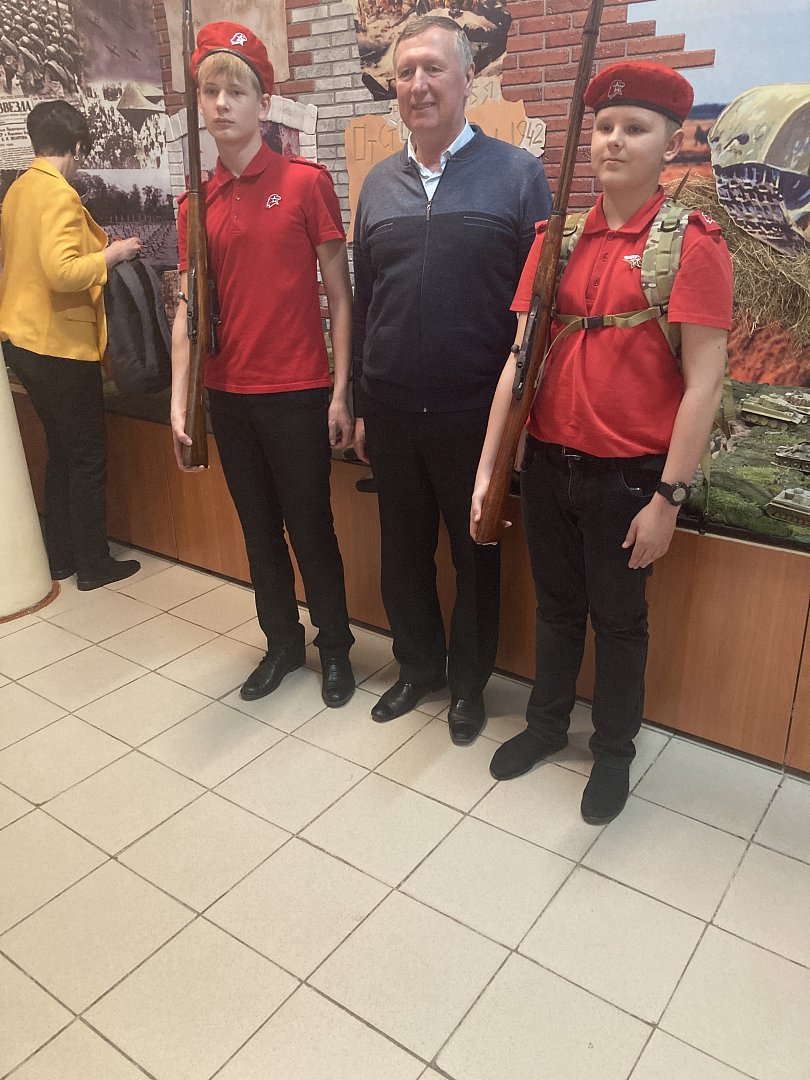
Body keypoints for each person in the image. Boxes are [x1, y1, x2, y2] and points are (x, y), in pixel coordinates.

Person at [471, 61, 733, 823]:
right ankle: (547, 726)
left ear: (671, 143)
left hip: (630, 479)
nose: (614, 140)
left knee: (619, 624)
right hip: (550, 463)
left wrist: (668, 499)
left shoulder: (691, 244)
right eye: (605, 127)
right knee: (556, 608)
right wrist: (489, 468)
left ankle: (613, 752)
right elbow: (518, 359)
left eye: (635, 128)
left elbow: (705, 383)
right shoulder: (556, 239)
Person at [352, 15, 551, 745]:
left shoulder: (519, 176)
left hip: (477, 413)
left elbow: (540, 312)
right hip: (392, 411)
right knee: (402, 552)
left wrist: (522, 421)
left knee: (475, 554)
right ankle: (418, 668)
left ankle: (468, 685)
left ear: (470, 78)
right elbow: (367, 301)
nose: (418, 84)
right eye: (405, 72)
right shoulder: (378, 185)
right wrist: (363, 402)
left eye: (434, 68)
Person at [170, 23, 355, 707]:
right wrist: (179, 400)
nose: (222, 103)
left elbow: (340, 296)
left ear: (263, 102)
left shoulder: (305, 184)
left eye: (237, 91)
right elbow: (189, 307)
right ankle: (281, 643)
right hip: (229, 395)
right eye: (210, 91)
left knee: (311, 527)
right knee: (258, 532)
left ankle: (334, 646)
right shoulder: (195, 204)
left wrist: (342, 390)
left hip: (297, 391)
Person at [0, 100, 142, 590]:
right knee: (86, 455)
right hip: (59, 343)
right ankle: (94, 563)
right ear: (78, 145)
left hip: (21, 339)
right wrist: (114, 253)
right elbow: (62, 273)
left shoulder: (20, 188)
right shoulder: (59, 194)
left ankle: (60, 556)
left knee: (61, 451)